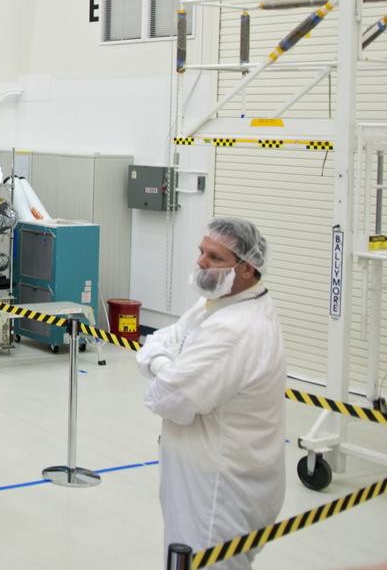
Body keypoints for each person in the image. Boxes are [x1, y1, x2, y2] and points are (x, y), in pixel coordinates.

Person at [137, 217, 286, 569]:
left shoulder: (234, 330)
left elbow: (167, 397)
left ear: (247, 268)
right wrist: (166, 362)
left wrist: (161, 366)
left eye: (215, 257)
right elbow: (159, 340)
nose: (201, 261)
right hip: (202, 473)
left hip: (218, 488)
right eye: (201, 251)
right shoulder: (217, 305)